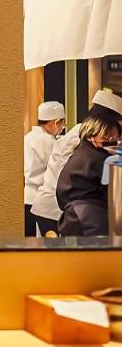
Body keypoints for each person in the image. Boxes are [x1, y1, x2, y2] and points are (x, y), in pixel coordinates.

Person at [56, 90, 122, 237]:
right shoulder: (93, 154)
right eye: (108, 136)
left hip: (74, 213)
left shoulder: (92, 149)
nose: (111, 141)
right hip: (85, 216)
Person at [24, 101, 65, 236]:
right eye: (62, 123)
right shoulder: (50, 142)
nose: (62, 127)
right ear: (55, 122)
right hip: (41, 199)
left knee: (27, 240)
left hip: (25, 196)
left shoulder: (28, 137)